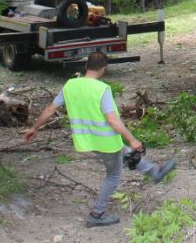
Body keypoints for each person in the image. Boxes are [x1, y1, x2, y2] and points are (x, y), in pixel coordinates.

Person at [24, 51, 177, 227]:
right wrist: (133, 139)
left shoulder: (70, 85)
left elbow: (51, 108)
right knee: (113, 175)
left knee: (125, 153)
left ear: (86, 65)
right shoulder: (102, 89)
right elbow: (112, 119)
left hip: (87, 139)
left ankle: (154, 171)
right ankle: (97, 214)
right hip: (105, 141)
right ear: (103, 69)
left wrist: (34, 128)